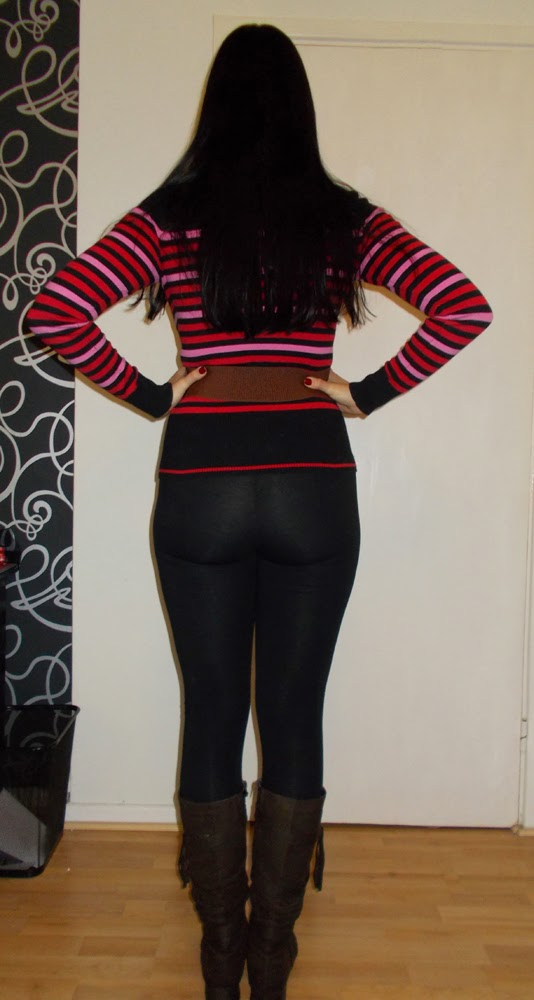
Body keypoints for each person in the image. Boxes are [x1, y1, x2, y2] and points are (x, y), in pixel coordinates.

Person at [25, 23, 493, 1000]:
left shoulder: (170, 218)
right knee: (292, 710)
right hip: (311, 484)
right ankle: (272, 958)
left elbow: (56, 312)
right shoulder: (341, 220)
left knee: (210, 711)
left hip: (202, 484)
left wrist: (154, 394)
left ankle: (220, 955)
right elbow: (462, 303)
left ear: (217, 107)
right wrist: (365, 391)